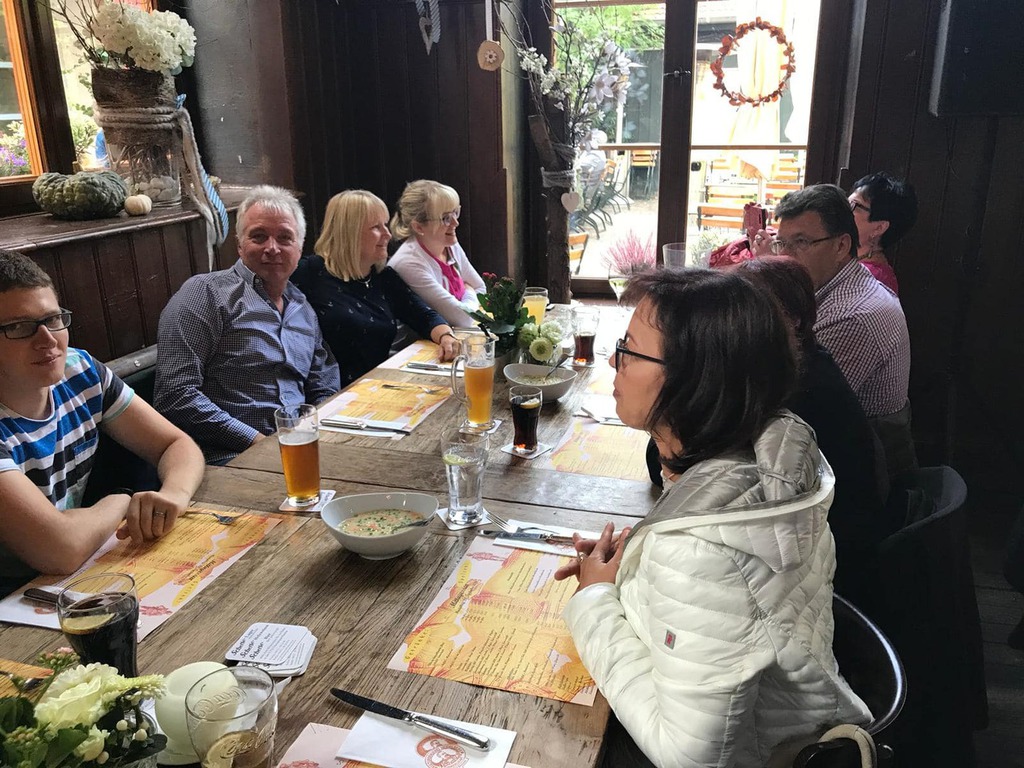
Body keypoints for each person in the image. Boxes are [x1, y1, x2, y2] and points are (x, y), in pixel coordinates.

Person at [557, 269, 871, 767]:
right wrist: (635, 568)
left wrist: (594, 598)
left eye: (629, 351)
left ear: (693, 380)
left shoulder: (699, 549)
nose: (614, 362)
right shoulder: (764, 459)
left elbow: (689, 757)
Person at [0, 250, 205, 594]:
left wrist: (174, 494)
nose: (48, 340)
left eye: (53, 319)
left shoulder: (78, 370)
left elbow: (176, 444)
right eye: (19, 328)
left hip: (69, 577)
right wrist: (120, 501)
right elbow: (60, 549)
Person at [155, 185, 341, 464]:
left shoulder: (301, 307)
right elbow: (175, 395)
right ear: (239, 244)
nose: (272, 248)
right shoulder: (205, 294)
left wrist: (314, 432)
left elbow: (324, 382)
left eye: (284, 237)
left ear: (300, 247)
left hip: (300, 449)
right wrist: (259, 443)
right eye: (259, 236)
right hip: (230, 459)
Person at [772, 184, 915, 478]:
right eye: (781, 243)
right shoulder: (833, 286)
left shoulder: (852, 317)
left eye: (801, 242)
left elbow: (790, 410)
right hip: (828, 450)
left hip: (867, 479)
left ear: (840, 246)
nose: (784, 257)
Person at [292, 190, 459, 387]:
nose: (387, 234)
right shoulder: (309, 273)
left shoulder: (383, 278)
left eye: (385, 225)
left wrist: (446, 336)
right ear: (350, 233)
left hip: (374, 387)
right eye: (376, 227)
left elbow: (424, 316)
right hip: (325, 392)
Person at [388, 180, 485, 328]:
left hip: (456, 335)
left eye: (455, 212)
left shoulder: (449, 243)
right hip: (424, 341)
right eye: (446, 218)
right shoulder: (409, 263)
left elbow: (481, 288)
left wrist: (468, 297)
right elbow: (462, 318)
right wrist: (469, 291)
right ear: (418, 227)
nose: (456, 223)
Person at [848, 172, 918, 295]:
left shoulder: (872, 280)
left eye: (853, 205)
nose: (843, 209)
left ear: (879, 228)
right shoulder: (854, 261)